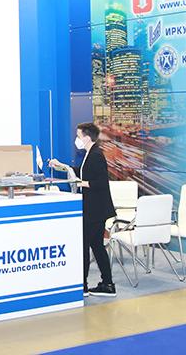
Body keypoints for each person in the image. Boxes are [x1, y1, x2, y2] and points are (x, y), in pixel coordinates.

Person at [49, 122, 117, 297]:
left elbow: (100, 183)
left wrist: (81, 183)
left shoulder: (96, 155)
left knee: (86, 245)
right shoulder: (91, 154)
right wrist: (63, 166)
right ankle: (107, 284)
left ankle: (84, 285)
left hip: (95, 210)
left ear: (86, 138)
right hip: (95, 209)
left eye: (78, 136)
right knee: (97, 246)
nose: (76, 139)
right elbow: (82, 171)